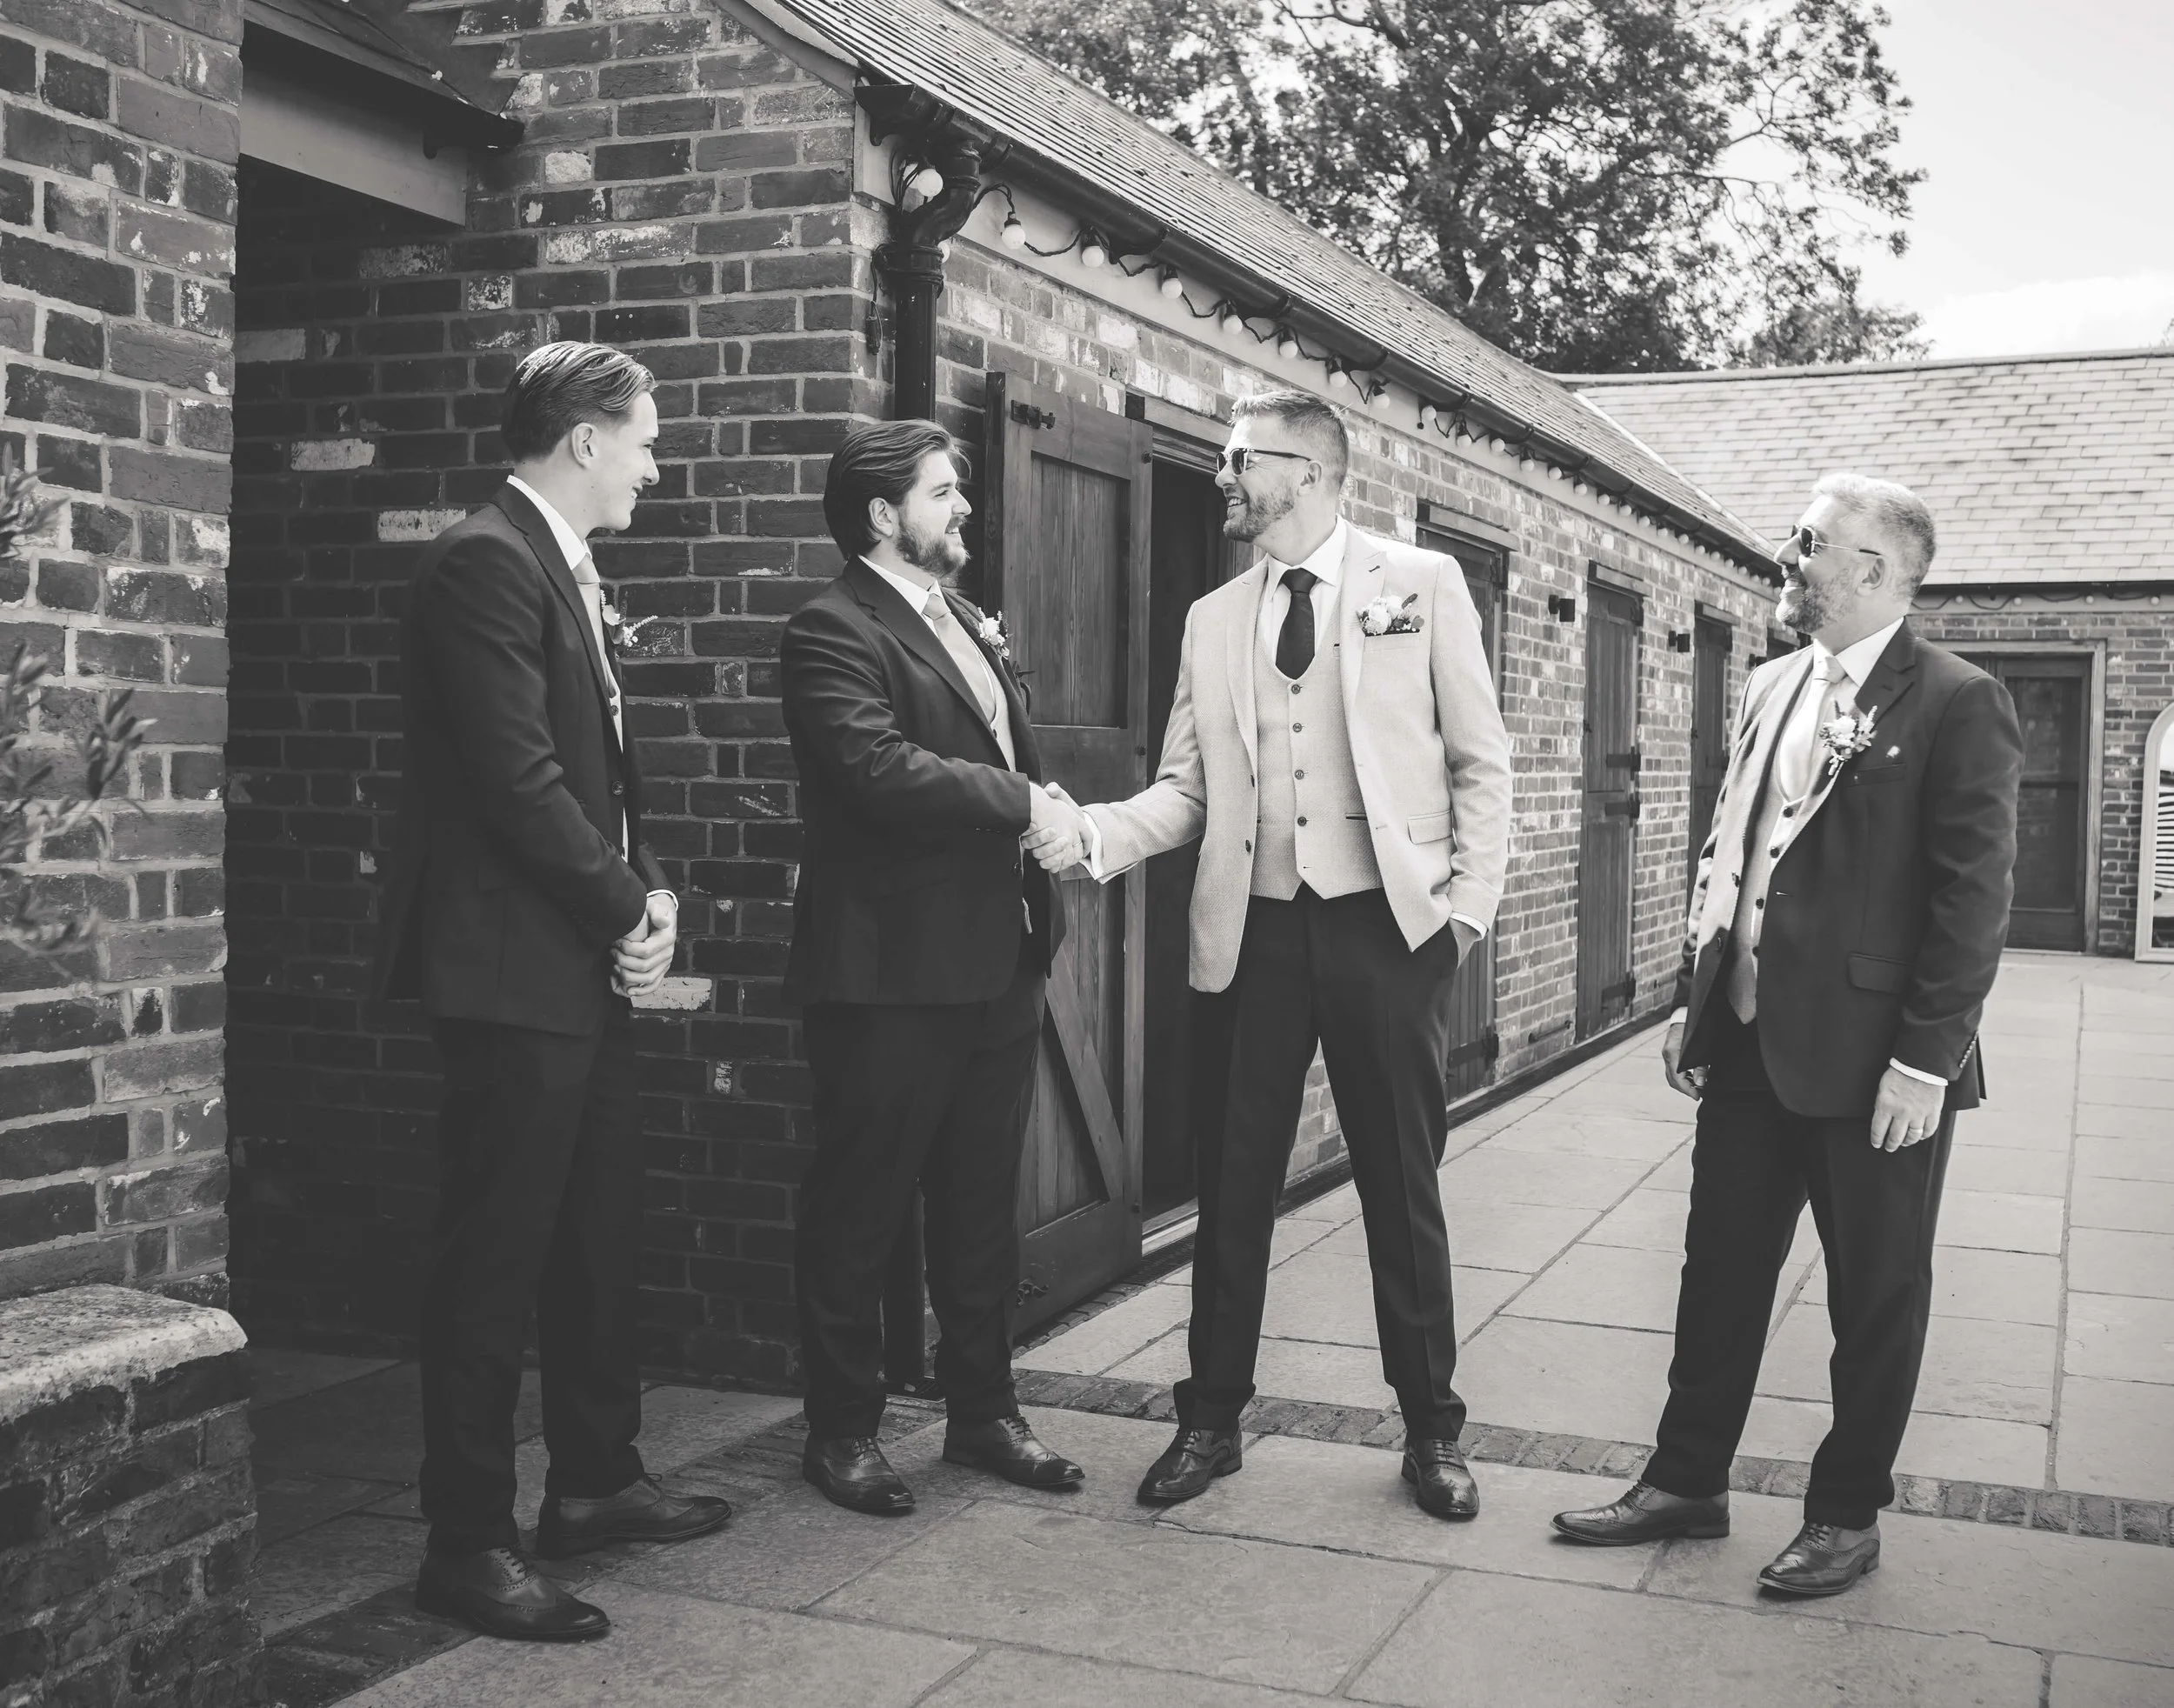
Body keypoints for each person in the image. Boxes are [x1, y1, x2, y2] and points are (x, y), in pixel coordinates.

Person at [1037, 389, 1511, 1518]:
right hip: (1253, 935)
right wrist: (1095, 835)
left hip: (1389, 930)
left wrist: (1463, 917)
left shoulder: (1422, 585)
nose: (1226, 479)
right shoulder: (1214, 617)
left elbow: (1479, 763)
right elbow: (1189, 789)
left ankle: (1432, 1432)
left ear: (1308, 469)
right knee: (1232, 1185)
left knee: (1402, 1185)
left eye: (1241, 460)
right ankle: (1209, 1422)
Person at [1551, 474, 2023, 1598]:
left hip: (1878, 1068)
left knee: (1875, 1294)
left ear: (1871, 570)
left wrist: (1925, 1060)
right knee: (1715, 1270)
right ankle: (1686, 1480)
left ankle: (1846, 1511)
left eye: (1810, 541)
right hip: (1752, 1041)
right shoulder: (1770, 685)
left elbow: (1974, 901)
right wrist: (1691, 994)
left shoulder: (1957, 700)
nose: (1788, 553)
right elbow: (1730, 851)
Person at [376, 342, 730, 1643]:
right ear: (583, 438)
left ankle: (594, 1480)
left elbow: (597, 781)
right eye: (644, 437)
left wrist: (648, 899)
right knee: (495, 1257)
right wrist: (626, 906)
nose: (656, 460)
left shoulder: (560, 567)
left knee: (595, 1233)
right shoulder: (485, 560)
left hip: (579, 961)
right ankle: (465, 1541)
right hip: (510, 972)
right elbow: (518, 784)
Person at [781, 418, 1088, 1515]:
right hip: (886, 975)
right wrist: (1024, 802)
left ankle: (982, 1411)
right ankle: (844, 1429)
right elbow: (874, 767)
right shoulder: (830, 627)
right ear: (882, 513)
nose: (963, 507)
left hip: (996, 963)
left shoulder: (959, 615)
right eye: (943, 491)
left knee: (976, 1204)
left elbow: (1001, 740)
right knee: (860, 1207)